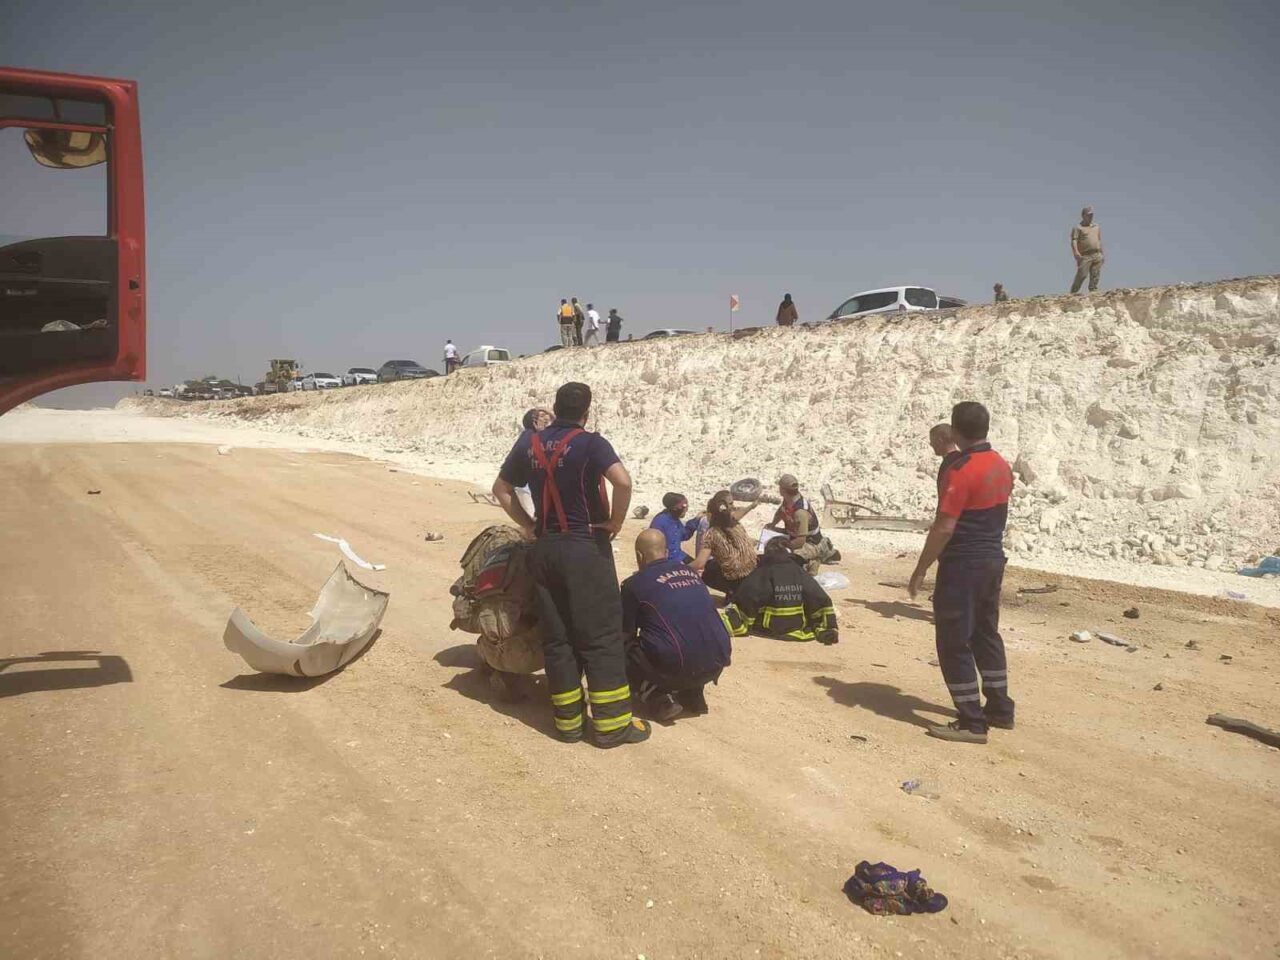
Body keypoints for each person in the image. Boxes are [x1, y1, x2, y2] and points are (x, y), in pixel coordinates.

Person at [493, 382, 651, 747]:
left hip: (545, 548)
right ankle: (612, 726)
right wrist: (615, 522)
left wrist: (529, 526)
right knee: (601, 636)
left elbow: (501, 489)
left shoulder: (529, 443)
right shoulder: (591, 443)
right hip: (585, 547)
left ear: (555, 407)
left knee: (558, 638)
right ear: (586, 412)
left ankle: (568, 724)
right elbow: (623, 482)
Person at [908, 401, 1015, 745]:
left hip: (962, 564)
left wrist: (921, 568)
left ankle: (971, 721)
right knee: (986, 634)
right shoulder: (1001, 465)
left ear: (954, 432)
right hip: (992, 560)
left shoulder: (960, 470)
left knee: (954, 641)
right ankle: (999, 709)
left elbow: (944, 526)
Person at [621, 529, 733, 721]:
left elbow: (625, 633)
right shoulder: (691, 573)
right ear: (666, 552)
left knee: (622, 646)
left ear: (639, 556)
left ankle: (657, 697)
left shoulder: (634, 585)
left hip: (678, 667)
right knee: (688, 630)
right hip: (717, 662)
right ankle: (692, 693)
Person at [730, 538, 838, 644]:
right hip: (796, 626)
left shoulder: (763, 572)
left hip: (768, 628)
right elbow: (818, 597)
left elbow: (749, 596)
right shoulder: (799, 572)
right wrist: (828, 626)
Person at [691, 490, 760, 596]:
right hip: (753, 572)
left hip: (735, 580)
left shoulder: (711, 534)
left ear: (710, 514)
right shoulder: (736, 524)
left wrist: (680, 569)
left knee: (706, 572)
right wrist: (751, 506)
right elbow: (736, 515)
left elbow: (700, 563)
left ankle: (731, 591)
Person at [766, 474, 839, 573]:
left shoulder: (800, 511)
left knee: (788, 558)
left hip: (810, 542)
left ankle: (813, 560)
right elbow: (780, 512)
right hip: (793, 534)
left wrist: (785, 546)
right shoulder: (788, 500)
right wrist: (772, 525)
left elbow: (800, 541)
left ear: (783, 490)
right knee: (769, 535)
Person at [514, 407, 553, 519]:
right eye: (542, 416)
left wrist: (548, 413)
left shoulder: (533, 436)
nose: (546, 418)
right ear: (534, 422)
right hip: (526, 489)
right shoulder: (530, 438)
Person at [649, 492, 701, 562]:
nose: (686, 509)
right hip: (666, 559)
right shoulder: (660, 522)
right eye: (684, 506)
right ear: (674, 508)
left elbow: (684, 535)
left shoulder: (674, 519)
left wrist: (696, 520)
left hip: (678, 555)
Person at [1070, 206, 1104, 294]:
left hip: (1097, 253)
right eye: (1088, 215)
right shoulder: (1078, 228)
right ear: (1083, 216)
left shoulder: (1096, 226)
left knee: (1095, 273)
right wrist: (1076, 252)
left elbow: (1099, 240)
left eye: (1092, 215)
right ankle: (1073, 292)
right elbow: (1074, 240)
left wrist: (1102, 253)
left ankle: (1093, 290)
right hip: (1085, 255)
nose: (1090, 217)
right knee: (1082, 274)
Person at [929, 423, 961, 498]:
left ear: (940, 441)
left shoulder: (949, 464)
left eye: (932, 441)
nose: (931, 444)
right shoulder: (964, 458)